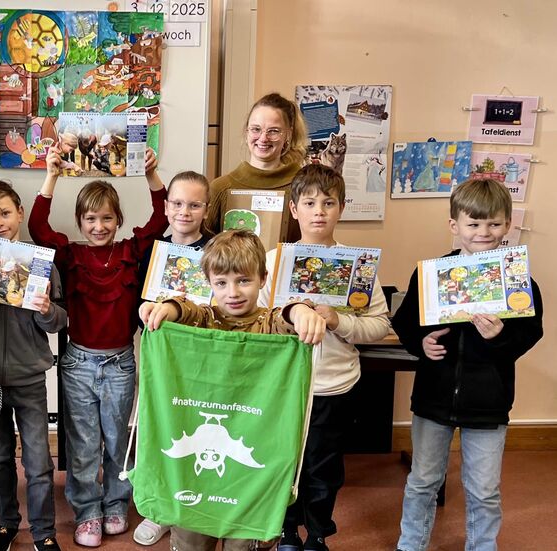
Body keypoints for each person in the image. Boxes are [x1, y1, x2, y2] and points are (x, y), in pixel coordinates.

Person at [139, 230, 326, 551]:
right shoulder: (205, 319)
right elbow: (189, 310)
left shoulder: (269, 323)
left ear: (263, 278)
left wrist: (300, 311)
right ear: (208, 282)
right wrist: (167, 308)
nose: (233, 292)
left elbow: (286, 317)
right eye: (221, 283)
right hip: (194, 476)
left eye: (243, 281)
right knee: (190, 538)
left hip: (250, 466)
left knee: (243, 543)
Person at [392, 178, 543, 551]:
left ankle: (482, 546)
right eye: (473, 223)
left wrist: (499, 336)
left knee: (484, 489)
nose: (483, 232)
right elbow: (405, 323)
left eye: (494, 223)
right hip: (433, 398)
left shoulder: (518, 281)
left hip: (488, 402)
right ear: (454, 225)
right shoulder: (430, 275)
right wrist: (420, 344)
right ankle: (410, 545)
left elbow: (530, 334)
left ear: (508, 224)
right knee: (423, 481)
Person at [28, 149, 168, 547]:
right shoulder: (70, 255)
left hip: (121, 362)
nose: (99, 226)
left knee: (118, 440)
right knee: (84, 443)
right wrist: (52, 175)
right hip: (78, 364)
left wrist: (152, 173)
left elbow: (161, 218)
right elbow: (37, 227)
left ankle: (115, 502)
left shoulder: (130, 251)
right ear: (80, 222)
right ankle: (87, 511)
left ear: (118, 219)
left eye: (107, 218)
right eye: (90, 219)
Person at [259, 164, 390, 551]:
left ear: (341, 208)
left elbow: (379, 326)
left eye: (329, 203)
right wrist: (289, 317)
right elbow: (255, 320)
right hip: (283, 386)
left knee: (324, 466)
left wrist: (339, 321)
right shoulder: (273, 261)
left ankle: (317, 534)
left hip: (334, 385)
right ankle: (286, 531)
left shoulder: (357, 266)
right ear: (294, 209)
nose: (319, 211)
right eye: (310, 203)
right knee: (282, 461)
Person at [0, 181, 68, 551]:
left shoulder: (41, 262)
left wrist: (46, 309)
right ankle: (6, 524)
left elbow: (59, 321)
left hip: (28, 378)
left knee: (39, 461)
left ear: (20, 213)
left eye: (6, 213)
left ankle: (43, 530)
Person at [133, 170, 210, 546]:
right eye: (177, 203)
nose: (184, 212)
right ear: (165, 207)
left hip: (204, 359)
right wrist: (146, 311)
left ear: (206, 209)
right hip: (162, 358)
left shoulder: (217, 250)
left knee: (198, 430)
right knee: (163, 428)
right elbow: (138, 304)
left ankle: (197, 502)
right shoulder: (153, 250)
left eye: (194, 205)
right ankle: (160, 509)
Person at [204, 93, 308, 242]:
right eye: (256, 129)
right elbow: (204, 248)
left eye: (273, 131)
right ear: (247, 132)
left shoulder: (304, 187)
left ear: (288, 135)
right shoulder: (220, 188)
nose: (263, 138)